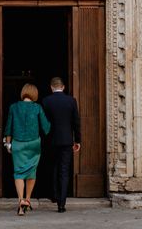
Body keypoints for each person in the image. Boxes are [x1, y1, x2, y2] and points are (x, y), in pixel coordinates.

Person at [4, 83, 51, 216]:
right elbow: (46, 128)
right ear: (35, 94)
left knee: (18, 172)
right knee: (31, 172)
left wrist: (8, 144)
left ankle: (20, 202)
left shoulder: (13, 107)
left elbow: (8, 127)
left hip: (18, 143)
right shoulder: (37, 108)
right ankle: (28, 199)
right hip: (33, 144)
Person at [42, 77, 81, 213]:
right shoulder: (71, 101)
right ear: (63, 87)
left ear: (51, 87)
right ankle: (62, 204)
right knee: (64, 171)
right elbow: (76, 122)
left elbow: (43, 123)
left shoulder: (46, 101)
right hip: (66, 141)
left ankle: (55, 195)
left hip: (51, 141)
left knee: (53, 168)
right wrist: (77, 141)